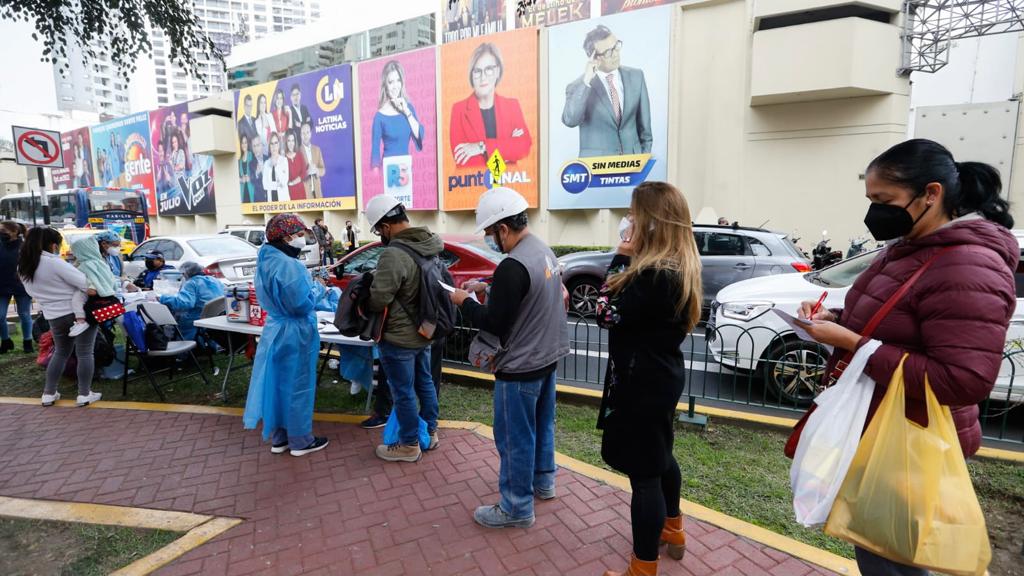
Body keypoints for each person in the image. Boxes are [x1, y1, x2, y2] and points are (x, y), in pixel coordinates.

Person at [796, 139, 1016, 575]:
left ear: (931, 194)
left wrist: (854, 343)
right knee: (877, 551)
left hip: (912, 445)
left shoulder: (967, 264)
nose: (875, 212)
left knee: (896, 562)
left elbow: (963, 380)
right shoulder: (910, 247)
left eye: (885, 200)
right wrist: (834, 318)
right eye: (871, 200)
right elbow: (893, 319)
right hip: (880, 430)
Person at [594, 182, 702, 576]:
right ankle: (672, 528)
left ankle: (643, 567)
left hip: (642, 382)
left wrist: (620, 258)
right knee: (660, 456)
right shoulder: (679, 266)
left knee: (644, 476)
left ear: (652, 222)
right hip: (660, 375)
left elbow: (605, 312)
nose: (629, 220)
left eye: (634, 213)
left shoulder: (653, 273)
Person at [449, 187, 570, 529]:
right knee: (542, 425)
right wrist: (487, 288)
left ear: (503, 229)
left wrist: (464, 300)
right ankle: (543, 482)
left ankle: (516, 507)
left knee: (515, 438)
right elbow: (526, 296)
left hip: (520, 367)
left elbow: (494, 322)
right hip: (547, 358)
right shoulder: (542, 250)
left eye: (490, 233)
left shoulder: (513, 266)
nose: (490, 240)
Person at [243, 213, 330, 457]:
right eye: (299, 235)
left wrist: (310, 283)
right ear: (286, 237)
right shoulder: (291, 265)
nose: (302, 239)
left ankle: (280, 437)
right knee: (298, 385)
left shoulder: (267, 260)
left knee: (279, 383)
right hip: (295, 331)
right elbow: (301, 303)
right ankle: (301, 440)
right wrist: (320, 286)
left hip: (275, 329)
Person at [364, 194, 442, 463]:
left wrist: (371, 287)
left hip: (398, 338)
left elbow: (379, 298)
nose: (379, 235)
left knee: (403, 392)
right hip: (425, 331)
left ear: (386, 226)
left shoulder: (394, 254)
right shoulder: (428, 245)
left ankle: (409, 445)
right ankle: (430, 432)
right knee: (425, 383)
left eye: (378, 230)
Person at [18, 227, 102, 407]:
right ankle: (84, 394)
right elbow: (84, 283)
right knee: (85, 352)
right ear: (52, 245)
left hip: (53, 316)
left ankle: (48, 393)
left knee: (60, 352)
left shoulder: (24, 266)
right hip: (77, 312)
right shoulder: (54, 262)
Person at [562, 25, 652, 158]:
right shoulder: (578, 86)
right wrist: (586, 81)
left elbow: (645, 128)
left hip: (633, 164)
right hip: (597, 168)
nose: (616, 54)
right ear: (595, 57)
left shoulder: (636, 76)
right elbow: (570, 120)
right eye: (609, 52)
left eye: (616, 46)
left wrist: (643, 157)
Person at [449, 42, 532, 168]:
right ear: (472, 75)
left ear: (497, 71)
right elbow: (463, 159)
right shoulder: (459, 110)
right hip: (472, 185)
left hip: (510, 184)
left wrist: (481, 147)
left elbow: (524, 146)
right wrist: (507, 152)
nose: (483, 77)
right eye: (477, 71)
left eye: (489, 69)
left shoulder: (512, 106)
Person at [370, 60, 424, 183]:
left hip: (406, 171)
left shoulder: (408, 108)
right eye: (391, 82)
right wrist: (377, 181)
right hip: (389, 172)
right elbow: (375, 152)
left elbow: (419, 136)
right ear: (385, 85)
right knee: (391, 203)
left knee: (405, 203)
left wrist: (406, 110)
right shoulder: (379, 116)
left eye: (398, 80)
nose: (395, 86)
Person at [67, 235, 119, 338]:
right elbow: (109, 277)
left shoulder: (85, 265)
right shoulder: (101, 262)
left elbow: (89, 277)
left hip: (93, 291)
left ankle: (80, 321)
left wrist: (92, 287)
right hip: (108, 294)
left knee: (77, 300)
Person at [159, 261, 225, 341]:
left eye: (183, 274)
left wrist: (162, 298)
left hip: (196, 318)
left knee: (174, 315)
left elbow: (184, 303)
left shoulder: (192, 283)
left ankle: (179, 345)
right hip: (215, 317)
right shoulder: (214, 280)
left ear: (186, 273)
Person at [0, 221, 32, 354]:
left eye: (3, 230)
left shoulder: (25, 247)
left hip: (22, 287)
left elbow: (32, 265)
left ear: (14, 232)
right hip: (2, 286)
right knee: (0, 316)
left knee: (24, 314)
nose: (1, 233)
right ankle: (6, 341)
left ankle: (27, 341)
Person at [262, 132, 290, 202]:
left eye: (276, 143)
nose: (274, 146)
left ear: (279, 144)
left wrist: (276, 166)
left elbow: (284, 182)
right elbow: (265, 185)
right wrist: (278, 185)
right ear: (269, 146)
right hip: (271, 202)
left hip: (283, 201)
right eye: (272, 143)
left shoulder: (284, 160)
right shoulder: (266, 163)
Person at [300, 122, 325, 199]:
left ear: (310, 134)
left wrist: (317, 170)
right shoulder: (297, 152)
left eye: (307, 132)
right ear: (300, 135)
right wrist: (307, 172)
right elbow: (296, 176)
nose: (305, 135)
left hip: (318, 193)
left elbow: (323, 170)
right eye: (303, 133)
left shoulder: (317, 150)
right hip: (305, 193)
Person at [285, 131, 308, 201]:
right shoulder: (283, 158)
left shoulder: (299, 155)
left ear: (295, 142)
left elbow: (304, 173)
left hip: (301, 192)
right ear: (286, 142)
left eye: (293, 140)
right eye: (289, 141)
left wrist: (293, 183)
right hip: (289, 193)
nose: (291, 143)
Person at [255, 93, 274, 159]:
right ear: (258, 105)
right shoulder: (257, 122)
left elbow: (275, 132)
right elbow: (262, 140)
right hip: (265, 153)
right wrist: (263, 122)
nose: (263, 105)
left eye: (264, 102)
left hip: (274, 150)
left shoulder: (270, 116)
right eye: (261, 103)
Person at [239, 133, 256, 203]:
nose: (244, 145)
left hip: (252, 189)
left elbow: (257, 174)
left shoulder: (252, 155)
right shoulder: (239, 160)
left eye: (245, 142)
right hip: (243, 190)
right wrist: (240, 179)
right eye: (242, 143)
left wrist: (250, 178)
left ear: (248, 144)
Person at [251, 136, 267, 203]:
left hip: (271, 197)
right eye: (254, 146)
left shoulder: (268, 158)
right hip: (259, 199)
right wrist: (256, 173)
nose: (256, 148)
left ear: (261, 145)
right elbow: (251, 180)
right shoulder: (251, 164)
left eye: (257, 145)